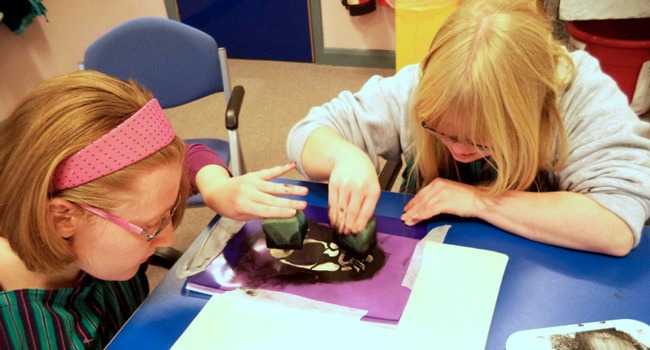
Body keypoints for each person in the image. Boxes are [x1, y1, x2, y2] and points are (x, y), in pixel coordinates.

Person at [286, 0, 650, 256]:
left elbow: (617, 224)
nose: (458, 150)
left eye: (482, 141)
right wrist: (346, 157)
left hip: (544, 264)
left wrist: (480, 201)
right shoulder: (421, 86)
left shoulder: (577, 95)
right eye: (440, 131)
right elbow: (306, 133)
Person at [0, 70, 307, 348]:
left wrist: (216, 186)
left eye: (169, 212)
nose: (167, 239)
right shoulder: (29, 331)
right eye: (151, 226)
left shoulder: (91, 227)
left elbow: (189, 156)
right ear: (62, 218)